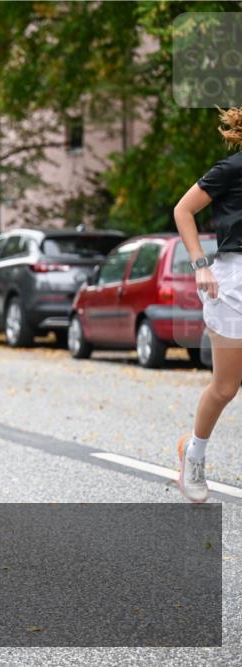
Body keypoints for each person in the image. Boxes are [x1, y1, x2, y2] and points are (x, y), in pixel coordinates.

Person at [172, 106, 242, 504]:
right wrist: (200, 264)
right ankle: (193, 453)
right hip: (232, 284)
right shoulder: (231, 168)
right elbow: (183, 210)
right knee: (226, 386)